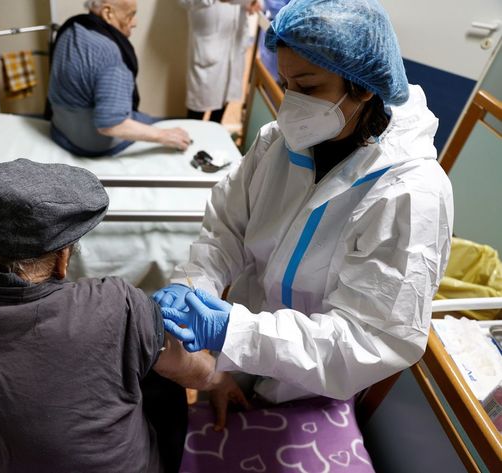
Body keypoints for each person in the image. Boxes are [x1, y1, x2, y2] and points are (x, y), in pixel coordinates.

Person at [153, 0, 454, 428]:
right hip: (236, 352)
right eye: (284, 83)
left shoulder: (410, 194)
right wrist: (194, 287)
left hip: (311, 386)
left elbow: (369, 338)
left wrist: (235, 332)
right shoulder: (277, 144)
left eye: (308, 88)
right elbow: (226, 230)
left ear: (364, 86)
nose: (290, 104)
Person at [0, 159, 235, 472]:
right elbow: (196, 373)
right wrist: (220, 380)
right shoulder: (118, 305)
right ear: (64, 256)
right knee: (157, 359)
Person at [47, 0, 191, 157]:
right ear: (108, 13)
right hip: (90, 144)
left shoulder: (71, 28)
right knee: (155, 123)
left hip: (60, 132)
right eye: (130, 15)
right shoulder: (108, 53)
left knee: (142, 118)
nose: (134, 23)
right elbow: (110, 125)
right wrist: (163, 135)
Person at [180, 0, 261, 123]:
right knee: (197, 111)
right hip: (208, 43)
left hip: (235, 39)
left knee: (224, 100)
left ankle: (215, 129)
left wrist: (251, 2)